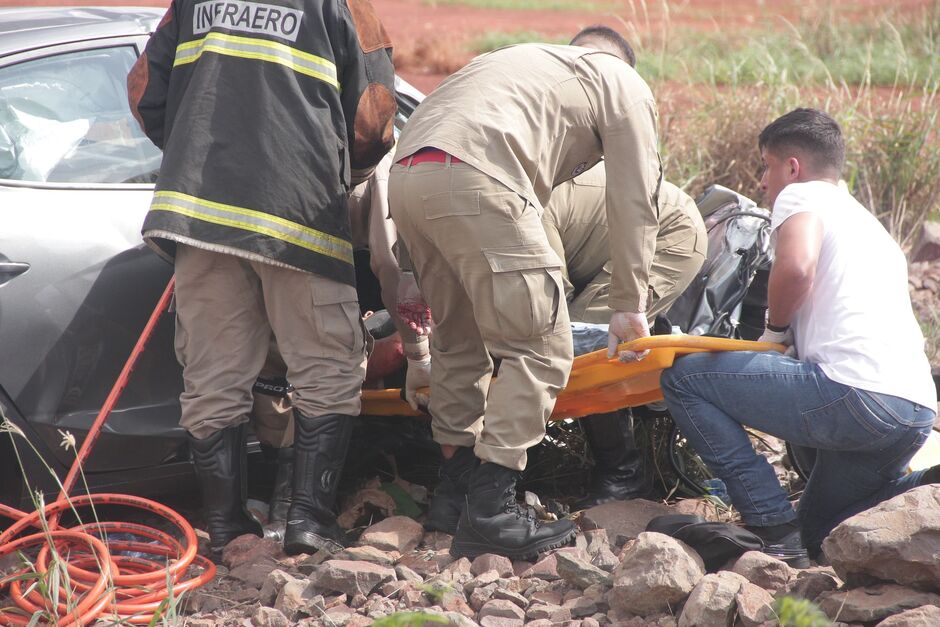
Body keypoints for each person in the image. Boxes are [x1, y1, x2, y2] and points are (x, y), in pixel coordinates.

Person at [128, 0, 396, 560]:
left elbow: (144, 92)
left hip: (199, 214)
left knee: (214, 376)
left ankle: (226, 529)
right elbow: (372, 118)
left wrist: (203, 159)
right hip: (295, 213)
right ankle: (309, 520)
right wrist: (338, 175)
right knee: (327, 364)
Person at [388, 25, 663, 559]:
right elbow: (634, 198)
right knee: (540, 345)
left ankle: (455, 496)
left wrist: (409, 268)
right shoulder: (623, 83)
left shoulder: (517, 62)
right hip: (480, 178)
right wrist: (630, 303)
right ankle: (492, 512)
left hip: (407, 177)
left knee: (459, 342)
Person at [660, 108, 938, 566]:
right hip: (911, 413)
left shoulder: (801, 196)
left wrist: (773, 333)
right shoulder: (869, 224)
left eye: (766, 167)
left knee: (685, 378)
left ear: (792, 166)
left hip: (855, 396)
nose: (764, 184)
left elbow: (795, 267)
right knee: (826, 532)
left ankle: (770, 523)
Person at [542, 164, 707, 510]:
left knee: (584, 347)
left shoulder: (524, 215)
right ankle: (648, 342)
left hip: (668, 232)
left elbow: (553, 311)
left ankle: (623, 472)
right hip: (612, 237)